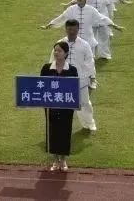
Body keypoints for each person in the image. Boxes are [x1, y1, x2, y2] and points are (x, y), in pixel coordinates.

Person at [41, 41, 78, 172]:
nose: (56, 53)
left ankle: (63, 159)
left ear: (66, 53)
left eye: (59, 51)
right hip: (51, 106)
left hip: (66, 107)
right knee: (53, 131)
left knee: (65, 131)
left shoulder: (72, 70)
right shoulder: (46, 68)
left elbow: (74, 88)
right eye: (55, 50)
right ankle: (55, 160)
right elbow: (41, 86)